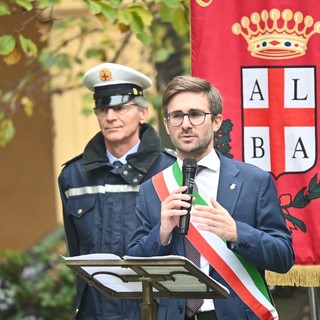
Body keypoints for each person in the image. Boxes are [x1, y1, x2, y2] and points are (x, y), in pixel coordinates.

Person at [127, 75, 295, 320]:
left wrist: (237, 232)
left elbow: (283, 257)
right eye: (177, 116)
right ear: (167, 124)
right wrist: (162, 233)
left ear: (216, 122)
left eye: (195, 114)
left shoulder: (254, 181)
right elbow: (134, 265)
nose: (186, 124)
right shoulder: (151, 189)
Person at [58, 63, 176, 320]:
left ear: (143, 113)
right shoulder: (73, 176)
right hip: (94, 313)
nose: (110, 117)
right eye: (103, 108)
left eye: (120, 107)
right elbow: (78, 252)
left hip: (155, 310)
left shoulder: (172, 171)